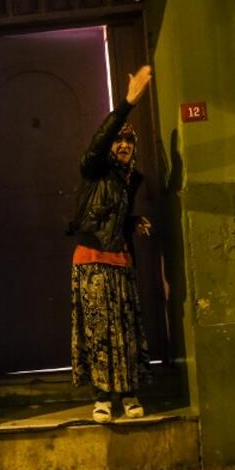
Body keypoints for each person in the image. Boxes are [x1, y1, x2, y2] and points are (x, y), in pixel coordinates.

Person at [69, 65, 153, 424]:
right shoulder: (94, 169)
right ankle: (103, 397)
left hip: (120, 260)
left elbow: (114, 214)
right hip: (91, 261)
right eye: (118, 139)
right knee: (98, 331)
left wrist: (133, 223)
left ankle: (129, 394)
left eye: (129, 140)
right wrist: (126, 104)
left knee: (125, 331)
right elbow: (97, 144)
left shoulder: (132, 178)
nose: (122, 145)